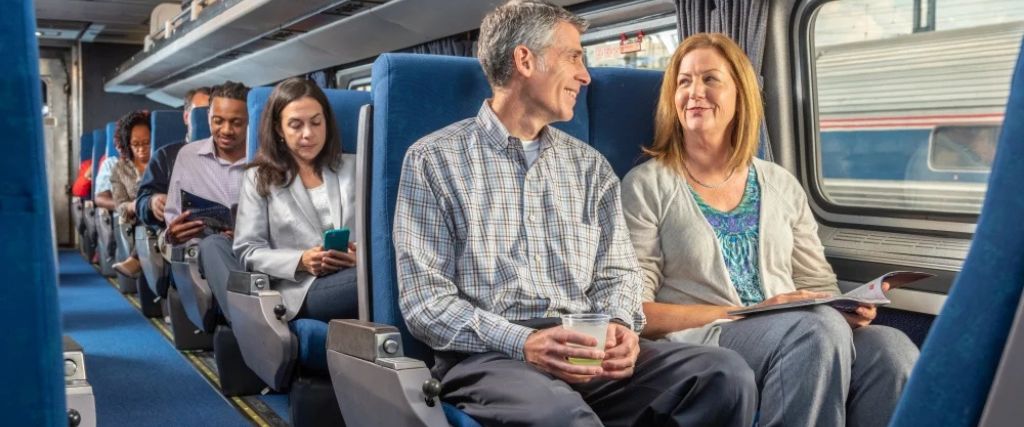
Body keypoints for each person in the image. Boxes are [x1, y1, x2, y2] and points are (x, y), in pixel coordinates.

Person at [393, 3, 757, 426]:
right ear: (525, 60)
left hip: (586, 348)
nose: (585, 75)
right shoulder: (434, 160)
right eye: (574, 57)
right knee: (561, 416)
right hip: (490, 358)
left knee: (724, 375)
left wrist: (620, 326)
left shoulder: (590, 167)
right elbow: (426, 304)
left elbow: (618, 274)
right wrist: (523, 342)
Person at [620, 33, 919, 427]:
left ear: (740, 95)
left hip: (802, 330)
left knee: (891, 347)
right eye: (684, 81)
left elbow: (816, 283)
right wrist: (750, 314)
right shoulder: (646, 186)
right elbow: (636, 312)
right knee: (815, 330)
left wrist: (844, 307)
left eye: (710, 79)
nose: (694, 92)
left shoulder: (781, 183)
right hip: (707, 337)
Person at [233, 78, 358, 371]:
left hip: (352, 271)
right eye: (296, 125)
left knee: (373, 275)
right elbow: (247, 251)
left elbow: (379, 235)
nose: (308, 134)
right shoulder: (259, 177)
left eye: (316, 122)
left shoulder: (355, 166)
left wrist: (359, 257)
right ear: (279, 129)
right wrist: (302, 260)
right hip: (302, 288)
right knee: (378, 280)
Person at [163, 81, 249, 313]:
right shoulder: (188, 156)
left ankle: (247, 321)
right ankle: (246, 319)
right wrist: (173, 233)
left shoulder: (264, 159)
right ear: (208, 117)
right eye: (218, 121)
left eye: (236, 123)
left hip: (254, 252)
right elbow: (172, 219)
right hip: (205, 254)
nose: (226, 130)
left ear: (250, 121)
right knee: (213, 245)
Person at [136, 87, 211, 230]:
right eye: (200, 114)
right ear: (186, 117)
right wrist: (152, 202)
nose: (206, 120)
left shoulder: (231, 155)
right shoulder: (164, 157)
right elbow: (141, 202)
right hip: (177, 230)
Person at [110, 110, 151, 278]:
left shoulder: (164, 161)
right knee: (144, 205)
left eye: (147, 143)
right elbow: (120, 206)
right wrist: (133, 205)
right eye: (136, 144)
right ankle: (135, 258)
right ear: (128, 144)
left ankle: (135, 260)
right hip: (136, 220)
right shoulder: (120, 169)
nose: (141, 149)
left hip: (165, 213)